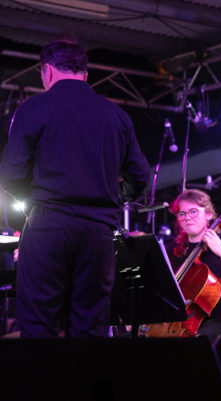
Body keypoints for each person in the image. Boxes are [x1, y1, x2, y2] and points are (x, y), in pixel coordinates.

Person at [0, 38, 150, 338]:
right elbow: (141, 176)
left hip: (48, 225)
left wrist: (36, 201)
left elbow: (10, 174)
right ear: (85, 74)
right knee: (91, 327)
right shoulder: (116, 115)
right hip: (98, 232)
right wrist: (112, 198)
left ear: (47, 71)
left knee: (38, 325)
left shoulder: (32, 109)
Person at [168, 189, 221, 343]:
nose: (187, 217)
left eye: (193, 211)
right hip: (181, 322)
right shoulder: (173, 250)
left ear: (208, 214)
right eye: (182, 214)